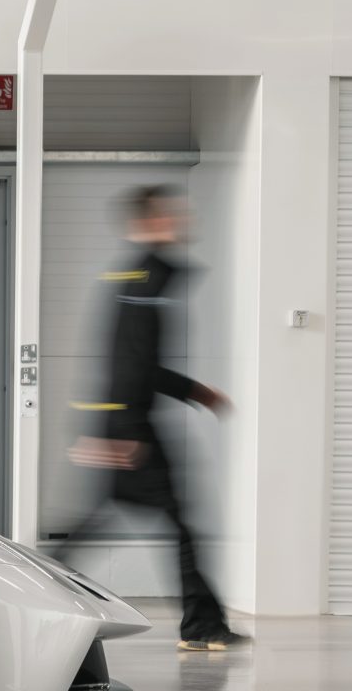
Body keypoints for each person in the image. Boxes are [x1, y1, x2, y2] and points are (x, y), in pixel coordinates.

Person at [62, 185, 247, 652]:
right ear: (144, 223)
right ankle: (201, 627)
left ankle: (40, 593)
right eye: (168, 215)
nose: (180, 220)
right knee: (177, 527)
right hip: (132, 428)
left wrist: (196, 392)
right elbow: (128, 359)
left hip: (128, 424)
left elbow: (139, 362)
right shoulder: (144, 279)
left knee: (108, 522)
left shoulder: (147, 274)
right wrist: (122, 431)